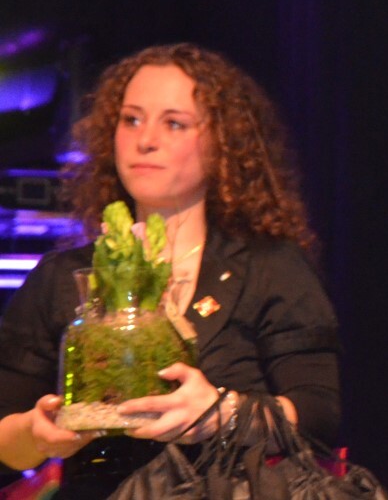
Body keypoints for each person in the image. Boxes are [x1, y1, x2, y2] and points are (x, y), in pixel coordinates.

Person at [0, 44, 341, 500]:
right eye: (131, 120)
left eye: (174, 123)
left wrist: (222, 413)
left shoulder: (268, 266)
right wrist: (37, 434)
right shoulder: (63, 277)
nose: (145, 140)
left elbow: (319, 415)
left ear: (222, 143)